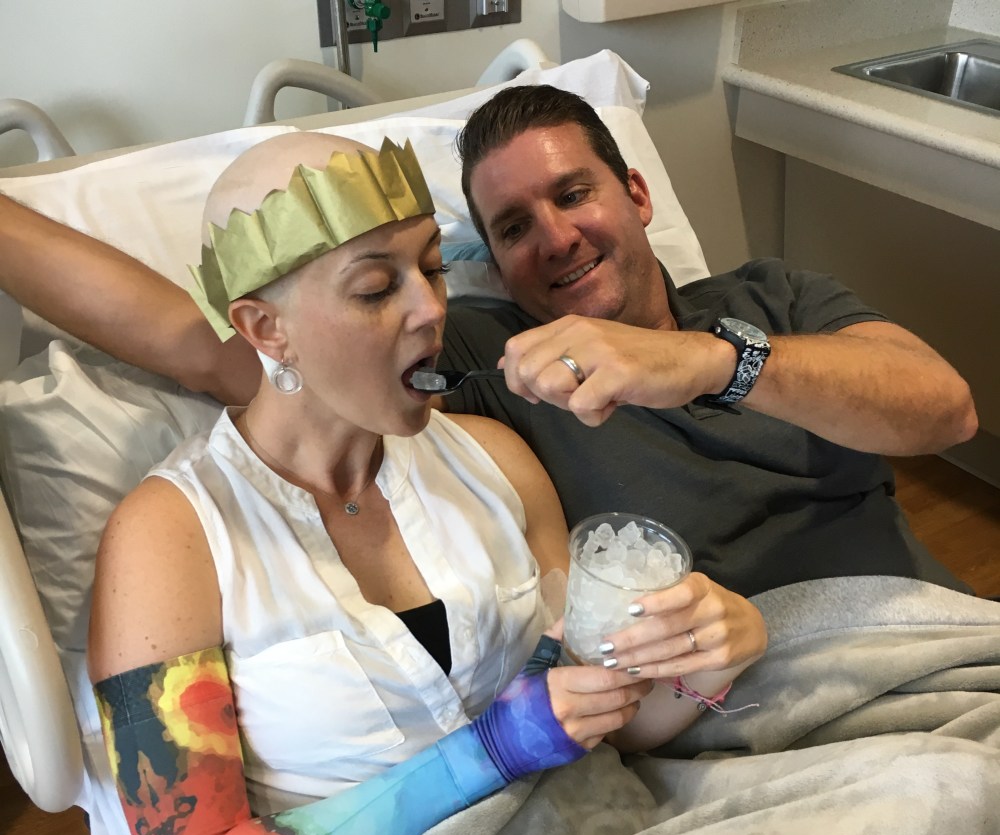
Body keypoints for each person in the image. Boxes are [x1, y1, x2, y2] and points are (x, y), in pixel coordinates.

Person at [85, 131, 765, 835]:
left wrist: (707, 661)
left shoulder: (494, 461)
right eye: (377, 288)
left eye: (433, 270)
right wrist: (494, 748)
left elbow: (608, 717)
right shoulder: (171, 540)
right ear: (266, 329)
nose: (429, 310)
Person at [0, 85, 978, 597]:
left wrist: (707, 363)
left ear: (637, 193)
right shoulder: (484, 354)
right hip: (734, 696)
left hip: (917, 629)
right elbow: (200, 342)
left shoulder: (773, 296)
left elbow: (943, 409)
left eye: (573, 193)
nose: (554, 238)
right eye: (511, 228)